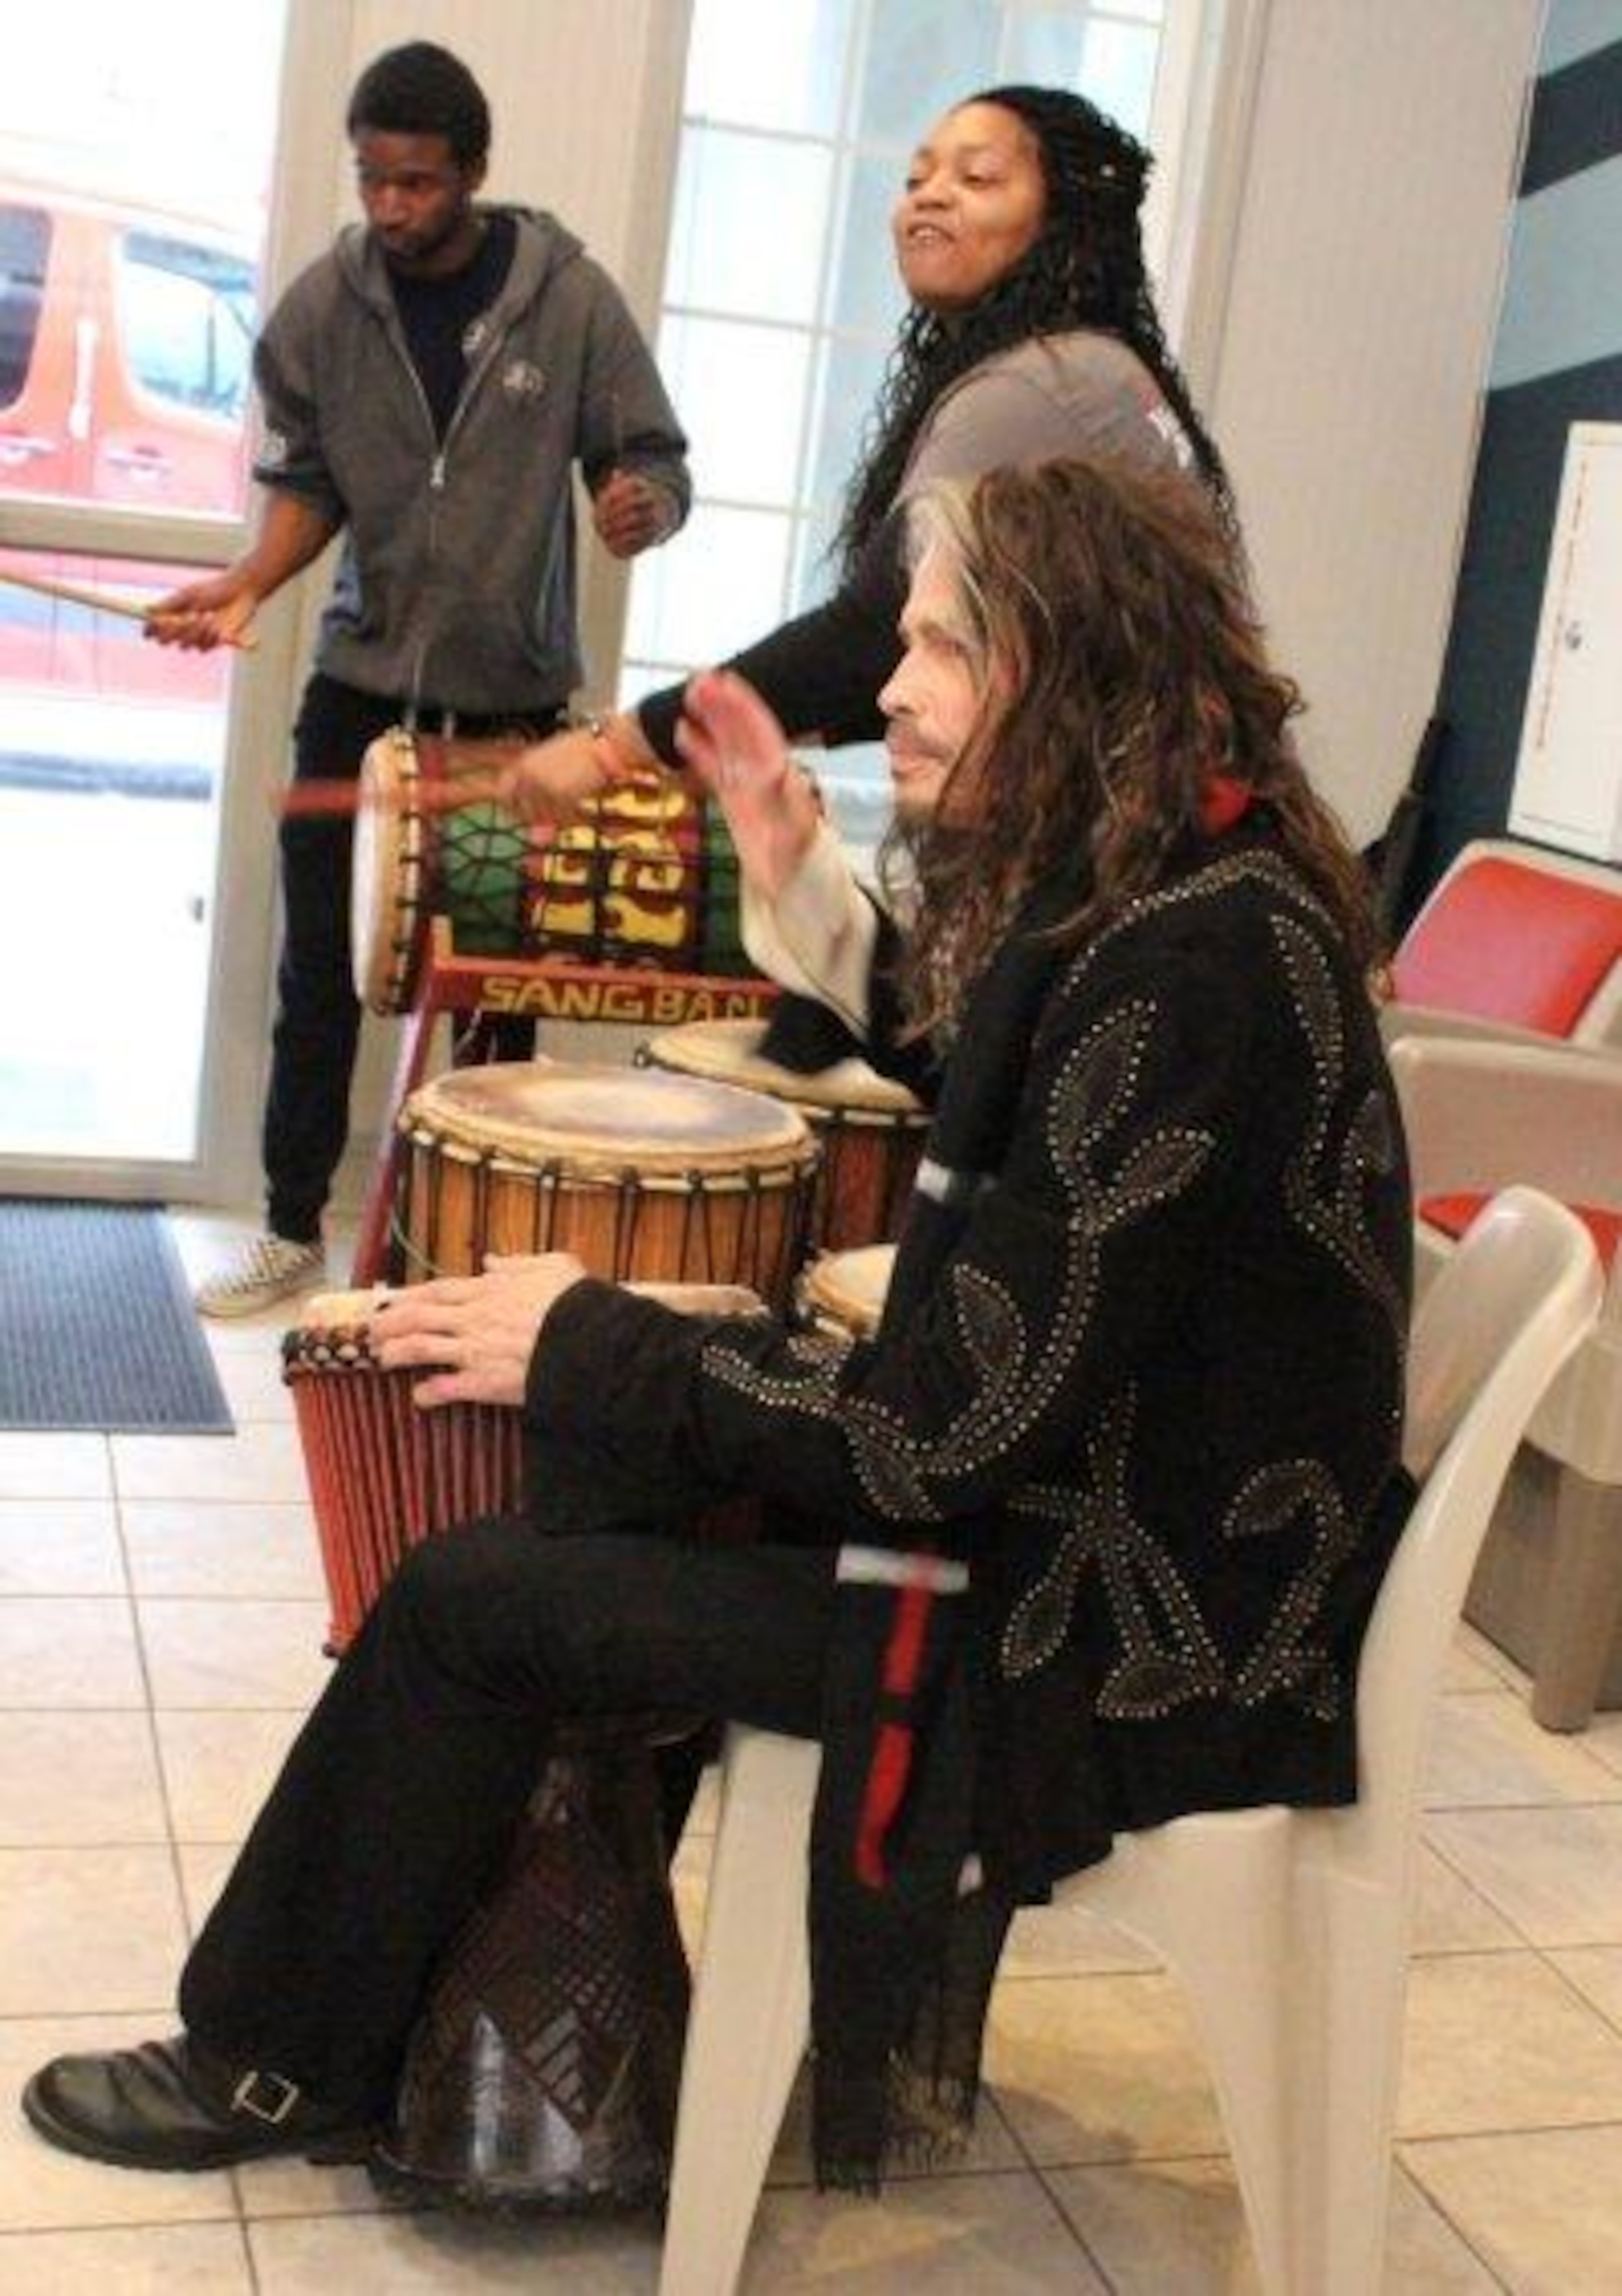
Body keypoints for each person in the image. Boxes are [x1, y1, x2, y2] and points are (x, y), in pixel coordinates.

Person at [23, 456, 1411, 2192]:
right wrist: (798, 871)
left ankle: (269, 2055)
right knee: (614, 1487)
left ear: (1074, 663)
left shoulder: (1188, 962)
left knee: (476, 1594)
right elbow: (1005, 1081)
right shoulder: (1191, 889)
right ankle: (536, 2051)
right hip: (1141, 1559)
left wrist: (592, 1334)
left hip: (1120, 1636)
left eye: (944, 646)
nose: (893, 686)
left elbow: (933, 1438)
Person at [155, 41, 691, 1317]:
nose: (390, 208)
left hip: (514, 720)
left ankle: (470, 1253)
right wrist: (246, 584)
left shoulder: (569, 299)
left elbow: (654, 461)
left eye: (417, 183)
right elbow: (305, 487)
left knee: (495, 992)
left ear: (474, 173)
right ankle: (292, 1229)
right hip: (358, 695)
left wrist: (638, 507)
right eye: (372, 181)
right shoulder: (326, 307)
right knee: (318, 973)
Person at [487, 82, 1233, 840]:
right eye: (917, 179)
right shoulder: (1088, 367)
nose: (930, 198)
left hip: (1149, 828)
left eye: (976, 179)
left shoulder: (1032, 387)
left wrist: (618, 747)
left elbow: (874, 631)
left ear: (1067, 226)